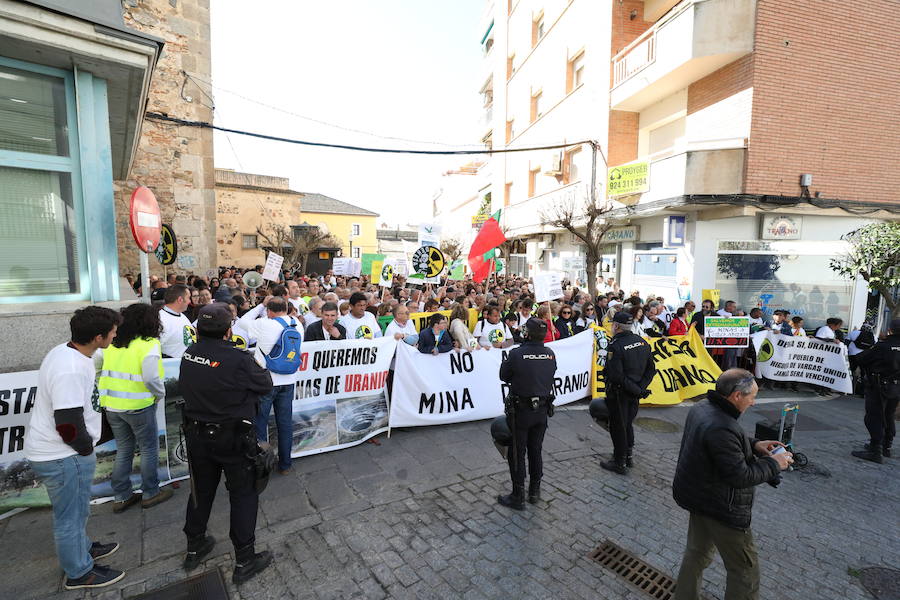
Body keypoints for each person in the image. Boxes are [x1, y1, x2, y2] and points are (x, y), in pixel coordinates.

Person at [25, 306, 126, 590]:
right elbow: (67, 423)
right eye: (113, 332)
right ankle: (80, 572)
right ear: (98, 337)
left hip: (62, 454)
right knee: (69, 517)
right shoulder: (70, 368)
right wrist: (84, 449)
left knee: (77, 511)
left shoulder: (69, 352)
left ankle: (83, 550)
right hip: (63, 456)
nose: (115, 335)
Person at [672, 369, 793, 600]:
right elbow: (740, 475)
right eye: (752, 396)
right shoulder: (723, 426)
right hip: (723, 508)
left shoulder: (703, 407)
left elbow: (721, 444)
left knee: (696, 554)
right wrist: (774, 464)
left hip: (699, 499)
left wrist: (755, 444)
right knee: (744, 572)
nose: (754, 401)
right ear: (737, 395)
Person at [179, 303, 274, 583]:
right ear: (229, 329)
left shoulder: (189, 353)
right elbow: (265, 383)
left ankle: (195, 545)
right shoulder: (239, 358)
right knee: (244, 494)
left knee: (201, 491)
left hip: (198, 435)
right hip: (232, 437)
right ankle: (244, 559)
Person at [96, 303, 173, 513]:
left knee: (124, 449)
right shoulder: (148, 344)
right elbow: (151, 377)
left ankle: (121, 496)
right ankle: (150, 492)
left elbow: (96, 365)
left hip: (112, 406)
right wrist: (159, 394)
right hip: (139, 405)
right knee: (148, 449)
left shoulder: (112, 343)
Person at [497, 318, 558, 510]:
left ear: (527, 334)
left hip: (521, 411)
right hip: (541, 411)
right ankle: (534, 491)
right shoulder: (550, 354)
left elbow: (503, 375)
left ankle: (518, 495)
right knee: (536, 450)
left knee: (517, 452)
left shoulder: (517, 354)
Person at [238, 297, 303, 475]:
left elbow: (242, 320)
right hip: (289, 380)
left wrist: (260, 304)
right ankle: (285, 465)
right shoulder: (296, 323)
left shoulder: (265, 323)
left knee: (260, 423)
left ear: (269, 310)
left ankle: (262, 465)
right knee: (285, 423)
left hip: (266, 381)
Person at [601, 311, 656, 474]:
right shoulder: (641, 342)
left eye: (612, 324)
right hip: (634, 392)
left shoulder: (616, 346)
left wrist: (636, 389)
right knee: (627, 424)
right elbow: (651, 370)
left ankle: (619, 462)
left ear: (616, 326)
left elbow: (617, 376)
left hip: (620, 393)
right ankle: (628, 456)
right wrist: (639, 388)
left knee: (618, 427)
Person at [851, 318, 900, 463]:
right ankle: (886, 446)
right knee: (889, 415)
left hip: (879, 386)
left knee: (874, 417)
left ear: (890, 329)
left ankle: (875, 450)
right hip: (896, 387)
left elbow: (862, 358)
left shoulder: (883, 346)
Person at [159, 284, 193, 358]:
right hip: (171, 367)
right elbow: (153, 349)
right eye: (188, 298)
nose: (190, 301)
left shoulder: (182, 315)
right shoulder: (161, 320)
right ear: (180, 300)